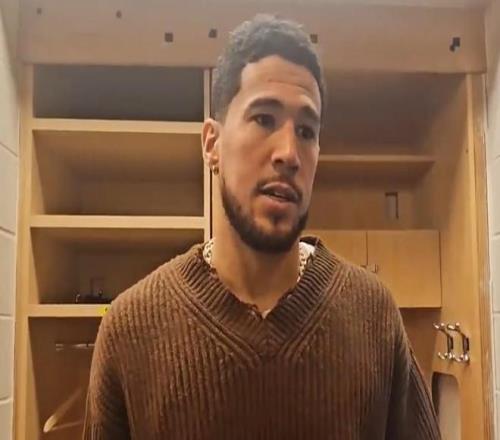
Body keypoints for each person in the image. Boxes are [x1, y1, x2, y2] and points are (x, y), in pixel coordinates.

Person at [83, 14, 441, 439]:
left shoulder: (374, 317)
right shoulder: (130, 329)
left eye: (306, 131)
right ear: (212, 144)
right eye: (264, 119)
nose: (289, 152)